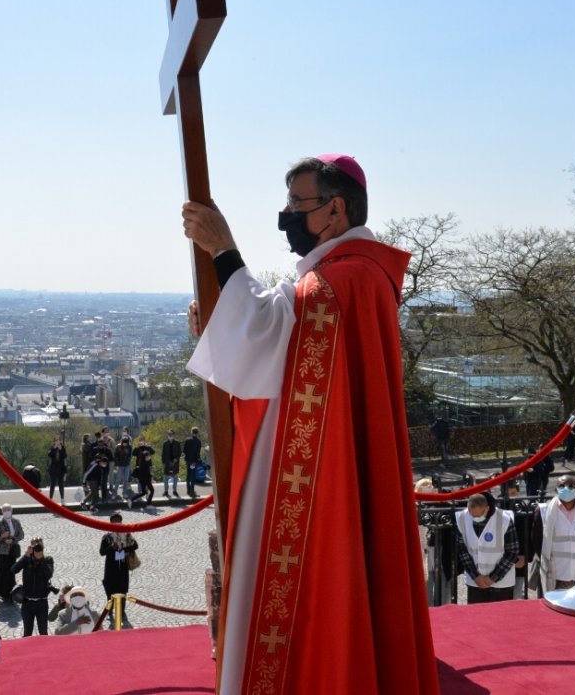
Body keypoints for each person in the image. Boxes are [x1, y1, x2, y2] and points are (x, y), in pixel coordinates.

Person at [182, 154, 438, 692]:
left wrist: (223, 251)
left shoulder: (336, 282)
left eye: (297, 204)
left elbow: (263, 340)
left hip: (325, 486)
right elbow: (273, 350)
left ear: (335, 209)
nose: (287, 216)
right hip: (337, 465)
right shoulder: (359, 275)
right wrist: (220, 321)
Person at [529, 474, 575, 592]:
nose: (566, 488)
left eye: (571, 486)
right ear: (556, 489)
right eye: (562, 485)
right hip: (556, 576)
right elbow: (537, 541)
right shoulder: (544, 511)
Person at [454, 493, 519, 604]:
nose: (474, 518)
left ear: (487, 509)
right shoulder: (462, 518)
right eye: (471, 514)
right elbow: (462, 550)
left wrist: (492, 578)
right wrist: (475, 576)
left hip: (501, 582)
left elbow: (512, 551)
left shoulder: (504, 519)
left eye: (478, 516)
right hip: (475, 583)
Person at [10, 538, 55, 637]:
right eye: (34, 545)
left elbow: (49, 575)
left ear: (43, 547)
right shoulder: (27, 559)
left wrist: (41, 559)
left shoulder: (48, 559)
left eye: (39, 545)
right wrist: (26, 555)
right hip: (27, 602)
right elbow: (13, 570)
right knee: (27, 632)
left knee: (43, 632)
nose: (37, 548)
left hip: (42, 602)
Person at [99, 512, 138, 623]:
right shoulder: (107, 537)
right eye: (114, 522)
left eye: (118, 521)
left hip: (123, 565)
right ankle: (110, 610)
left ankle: (122, 611)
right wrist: (111, 547)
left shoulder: (126, 535)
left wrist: (124, 549)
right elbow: (102, 552)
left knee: (123, 589)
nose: (117, 524)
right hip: (111, 566)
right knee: (110, 589)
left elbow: (135, 545)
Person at [0, 504, 23, 600]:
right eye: (5, 510)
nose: (7, 511)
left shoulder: (16, 522)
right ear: (2, 512)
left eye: (8, 509)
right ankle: (1, 592)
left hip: (12, 551)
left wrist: (13, 540)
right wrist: (2, 537)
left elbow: (21, 535)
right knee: (2, 572)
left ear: (11, 510)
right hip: (2, 552)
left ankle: (11, 591)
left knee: (11, 572)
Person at [130, 436, 156, 506]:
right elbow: (133, 454)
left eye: (142, 440)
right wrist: (137, 447)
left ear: (145, 441)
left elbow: (153, 452)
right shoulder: (138, 448)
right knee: (141, 482)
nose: (141, 442)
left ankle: (146, 495)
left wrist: (148, 446)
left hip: (148, 466)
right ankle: (141, 494)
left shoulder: (148, 447)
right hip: (140, 467)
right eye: (140, 441)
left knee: (148, 483)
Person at [161, 428, 182, 498]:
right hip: (167, 463)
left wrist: (177, 459)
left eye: (171, 434)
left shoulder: (177, 443)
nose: (170, 435)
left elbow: (180, 452)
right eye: (169, 434)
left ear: (173, 434)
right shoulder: (165, 443)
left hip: (175, 462)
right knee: (166, 478)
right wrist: (163, 462)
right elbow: (163, 453)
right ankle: (166, 491)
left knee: (175, 477)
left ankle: (175, 491)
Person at [182, 427, 202, 498]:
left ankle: (188, 490)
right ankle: (192, 491)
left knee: (188, 475)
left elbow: (184, 450)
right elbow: (198, 453)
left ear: (192, 432)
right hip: (194, 461)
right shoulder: (198, 441)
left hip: (188, 460)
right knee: (193, 475)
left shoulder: (187, 440)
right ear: (197, 433)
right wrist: (195, 460)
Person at [113, 437, 133, 501]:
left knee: (126, 480)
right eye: (124, 443)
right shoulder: (118, 447)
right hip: (120, 465)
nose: (125, 444)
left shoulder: (129, 447)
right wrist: (116, 465)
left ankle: (124, 493)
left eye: (126, 443)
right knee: (118, 480)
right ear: (122, 442)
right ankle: (114, 493)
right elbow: (115, 456)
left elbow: (130, 456)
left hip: (127, 465)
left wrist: (129, 462)